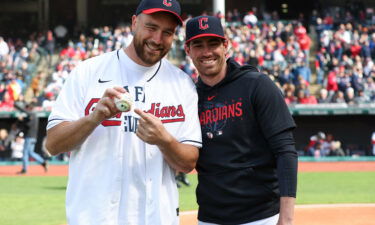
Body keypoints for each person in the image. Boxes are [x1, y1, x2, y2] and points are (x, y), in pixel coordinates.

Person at [45, 0, 202, 224]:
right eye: (151, 27)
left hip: (156, 218)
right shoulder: (88, 72)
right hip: (94, 218)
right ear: (134, 23)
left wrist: (164, 140)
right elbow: (53, 144)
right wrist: (93, 118)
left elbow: (188, 163)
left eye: (167, 32)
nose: (157, 39)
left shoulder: (182, 84)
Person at [184, 16, 298, 225]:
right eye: (198, 45)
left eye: (213, 43)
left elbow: (286, 151)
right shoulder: (189, 96)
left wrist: (287, 219)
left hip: (261, 217)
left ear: (226, 45)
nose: (207, 52)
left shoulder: (257, 85)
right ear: (187, 50)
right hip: (210, 218)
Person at [15, 102, 48, 174]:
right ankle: (43, 162)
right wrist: (22, 120)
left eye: (27, 108)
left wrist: (16, 106)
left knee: (25, 153)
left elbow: (27, 124)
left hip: (30, 137)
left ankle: (24, 170)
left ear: (29, 108)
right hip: (33, 137)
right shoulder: (32, 116)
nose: (27, 109)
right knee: (31, 152)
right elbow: (27, 123)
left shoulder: (32, 114)